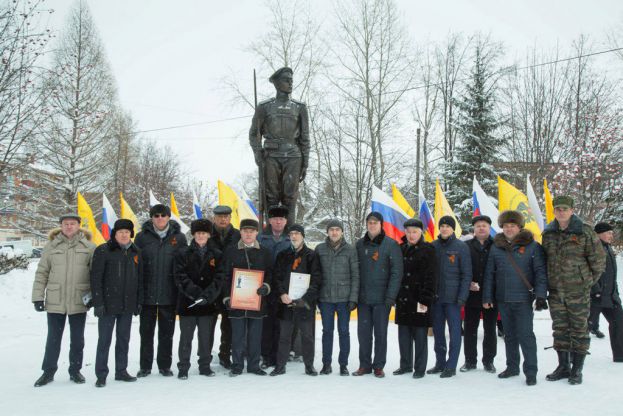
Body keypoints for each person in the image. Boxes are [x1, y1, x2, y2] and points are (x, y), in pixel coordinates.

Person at [542, 195, 606, 385]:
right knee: (559, 329)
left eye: (565, 209)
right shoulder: (549, 233)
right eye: (558, 209)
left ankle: (577, 369)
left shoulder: (584, 231)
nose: (561, 212)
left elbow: (598, 262)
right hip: (555, 291)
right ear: (554, 211)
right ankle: (563, 366)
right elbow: (545, 260)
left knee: (579, 329)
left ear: (571, 210)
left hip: (578, 291)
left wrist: (585, 282)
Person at [482, 211, 548, 386]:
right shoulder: (496, 247)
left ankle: (531, 371)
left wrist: (541, 295)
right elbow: (489, 273)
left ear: (520, 227)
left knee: (526, 336)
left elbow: (541, 273)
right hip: (503, 299)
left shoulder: (533, 246)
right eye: (505, 226)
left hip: (524, 300)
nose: (509, 229)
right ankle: (512, 367)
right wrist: (488, 296)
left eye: (512, 225)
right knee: (509, 336)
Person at [32, 213, 96, 387]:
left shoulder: (89, 247)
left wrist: (93, 297)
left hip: (78, 299)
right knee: (53, 338)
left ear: (78, 226)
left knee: (77, 339)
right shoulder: (51, 246)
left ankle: (75, 371)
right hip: (55, 299)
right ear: (61, 226)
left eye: (72, 224)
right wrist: (38, 297)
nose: (69, 227)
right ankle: (48, 372)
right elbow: (42, 272)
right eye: (65, 224)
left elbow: (94, 275)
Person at [249, 67, 310, 225]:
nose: (290, 83)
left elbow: (305, 138)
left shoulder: (300, 107)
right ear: (276, 83)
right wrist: (258, 154)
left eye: (291, 80)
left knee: (290, 197)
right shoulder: (264, 107)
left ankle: (290, 231)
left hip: (293, 157)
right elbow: (254, 134)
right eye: (286, 80)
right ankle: (271, 231)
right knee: (271, 196)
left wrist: (305, 163)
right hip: (271, 157)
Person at [135, 204, 188, 378]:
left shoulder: (179, 238)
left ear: (168, 217)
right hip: (148, 294)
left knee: (167, 333)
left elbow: (183, 265)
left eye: (163, 215)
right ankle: (145, 366)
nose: (159, 218)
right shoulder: (141, 238)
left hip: (169, 294)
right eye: (156, 215)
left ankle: (165, 365)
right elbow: (136, 266)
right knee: (146, 333)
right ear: (151, 218)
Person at [91, 219, 143, 387]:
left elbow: (141, 279)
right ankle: (101, 374)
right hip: (107, 304)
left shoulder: (136, 252)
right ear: (114, 234)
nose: (124, 235)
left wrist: (138, 302)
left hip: (127, 305)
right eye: (120, 232)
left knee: (123, 339)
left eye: (127, 232)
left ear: (131, 234)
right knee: (104, 340)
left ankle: (121, 371)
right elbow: (95, 278)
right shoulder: (103, 250)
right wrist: (98, 302)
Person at [352, 212, 403, 378]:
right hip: (364, 298)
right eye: (370, 222)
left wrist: (391, 296)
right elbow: (354, 271)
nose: (372, 225)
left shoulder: (391, 245)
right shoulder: (359, 245)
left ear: (381, 224)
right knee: (364, 334)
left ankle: (379, 365)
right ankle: (364, 365)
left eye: (375, 222)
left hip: (382, 299)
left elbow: (397, 272)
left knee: (380, 334)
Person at [222, 219, 274, 376]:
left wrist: (266, 286)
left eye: (252, 231)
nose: (248, 234)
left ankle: (253, 365)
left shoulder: (265, 252)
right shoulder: (231, 251)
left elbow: (271, 274)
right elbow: (224, 276)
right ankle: (237, 365)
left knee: (255, 337)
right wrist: (226, 297)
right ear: (241, 232)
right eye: (245, 231)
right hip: (236, 302)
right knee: (237, 336)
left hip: (257, 302)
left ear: (257, 233)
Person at [175, 219, 224, 379]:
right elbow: (180, 277)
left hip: (208, 305)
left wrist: (207, 296)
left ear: (209, 235)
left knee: (205, 337)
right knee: (186, 338)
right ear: (193, 235)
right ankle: (183, 367)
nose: (201, 236)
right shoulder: (182, 253)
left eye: (204, 233)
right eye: (198, 233)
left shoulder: (217, 254)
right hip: (188, 303)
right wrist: (196, 294)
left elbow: (219, 278)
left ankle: (205, 365)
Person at [270, 224, 321, 376]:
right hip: (286, 302)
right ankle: (280, 366)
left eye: (297, 233)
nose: (294, 236)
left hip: (304, 304)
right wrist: (281, 294)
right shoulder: (282, 255)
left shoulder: (311, 255)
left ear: (303, 236)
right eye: (291, 233)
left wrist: (305, 299)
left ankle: (309, 365)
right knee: (284, 336)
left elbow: (317, 280)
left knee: (307, 336)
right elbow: (276, 278)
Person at [427, 216, 472, 378]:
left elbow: (466, 274)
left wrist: (462, 297)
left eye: (447, 226)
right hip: (436, 299)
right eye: (442, 226)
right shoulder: (433, 246)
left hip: (453, 300)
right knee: (438, 333)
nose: (444, 229)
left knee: (454, 333)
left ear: (453, 228)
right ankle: (440, 363)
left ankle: (451, 365)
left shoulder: (461, 247)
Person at [393, 218, 437, 379]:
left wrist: (426, 299)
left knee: (420, 336)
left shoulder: (428, 249)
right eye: (409, 232)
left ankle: (419, 368)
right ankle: (405, 365)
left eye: (415, 232)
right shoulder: (400, 248)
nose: (411, 235)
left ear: (421, 233)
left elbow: (432, 277)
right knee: (403, 335)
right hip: (403, 299)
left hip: (419, 299)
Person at [316, 219, 360, 376]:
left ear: (342, 232)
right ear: (327, 232)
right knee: (327, 332)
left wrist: (353, 298)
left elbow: (355, 276)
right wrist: (316, 297)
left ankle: (343, 365)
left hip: (344, 299)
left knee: (344, 331)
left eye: (337, 229)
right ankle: (326, 364)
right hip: (325, 299)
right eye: (331, 229)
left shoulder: (350, 250)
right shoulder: (319, 249)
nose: (334, 232)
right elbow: (316, 274)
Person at [461, 215, 497, 373]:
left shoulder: (497, 245)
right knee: (470, 329)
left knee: (490, 329)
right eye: (478, 226)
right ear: (474, 229)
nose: (481, 228)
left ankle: (489, 361)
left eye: (484, 226)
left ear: (489, 228)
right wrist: (467, 283)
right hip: (472, 294)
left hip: (492, 294)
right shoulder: (466, 246)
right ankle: (470, 361)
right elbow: (461, 268)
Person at [258, 204, 291, 369]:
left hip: (283, 288)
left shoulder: (290, 239)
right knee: (266, 324)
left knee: (281, 323)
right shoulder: (260, 238)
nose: (278, 221)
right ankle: (266, 355)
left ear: (285, 221)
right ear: (270, 220)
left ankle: (280, 355)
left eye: (282, 219)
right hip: (263, 286)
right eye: (275, 218)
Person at [208, 205, 240, 369]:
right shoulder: (206, 234)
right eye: (219, 216)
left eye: (226, 216)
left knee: (228, 325)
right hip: (210, 285)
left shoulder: (238, 236)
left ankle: (225, 354)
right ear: (214, 217)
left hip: (231, 286)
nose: (223, 219)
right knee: (208, 325)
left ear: (230, 218)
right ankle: (205, 355)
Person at [588, 222, 623, 362]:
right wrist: (595, 290)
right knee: (583, 327)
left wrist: (616, 294)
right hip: (595, 297)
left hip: (610, 296)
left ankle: (620, 355)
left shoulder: (608, 248)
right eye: (608, 232)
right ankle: (573, 357)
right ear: (598, 234)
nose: (611, 235)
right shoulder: (592, 249)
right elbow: (588, 272)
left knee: (619, 323)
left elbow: (612, 274)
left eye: (611, 233)